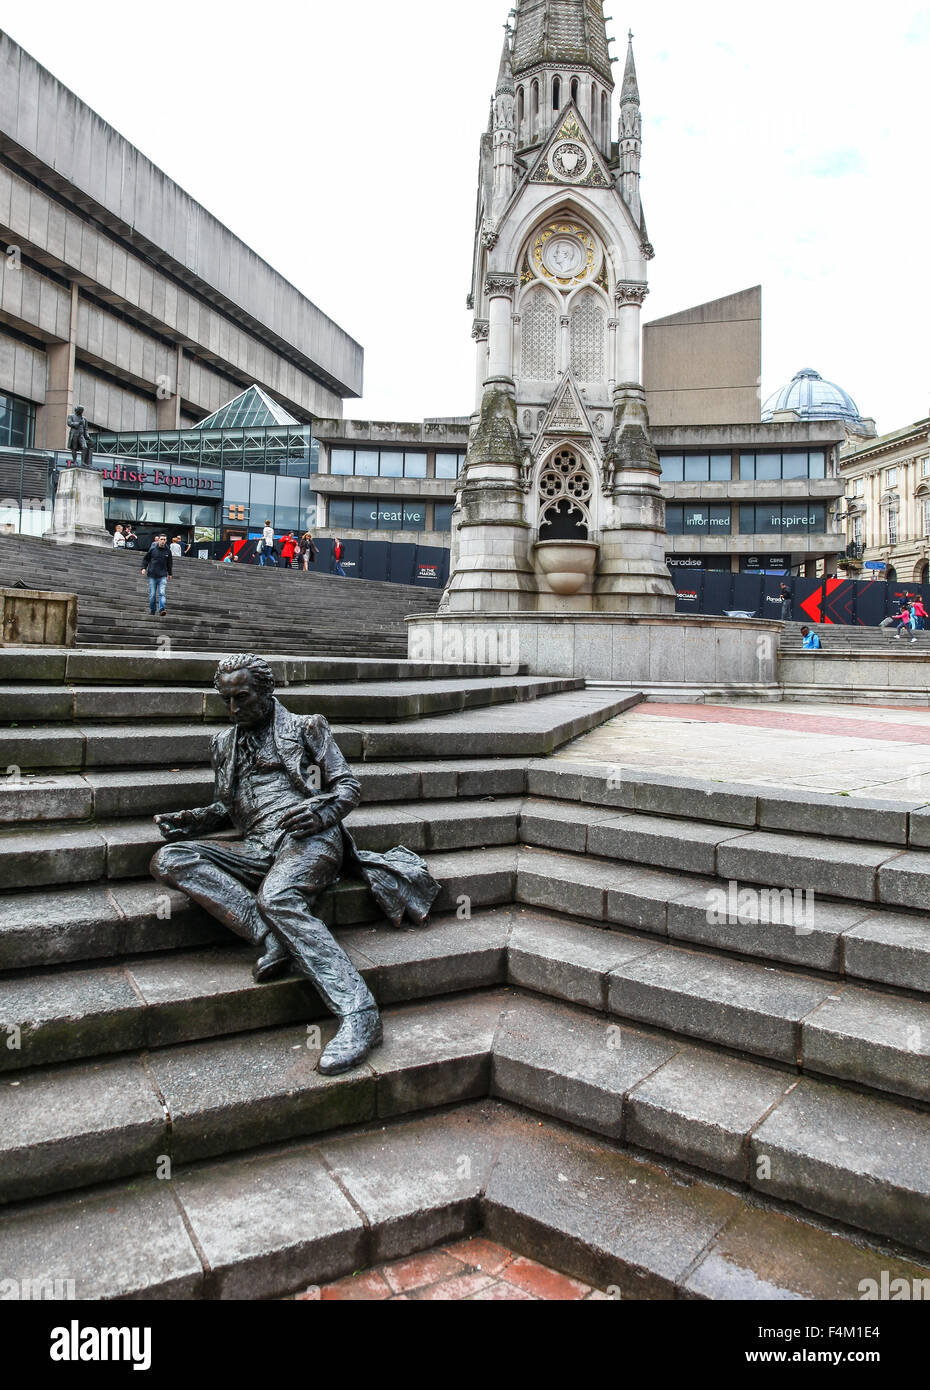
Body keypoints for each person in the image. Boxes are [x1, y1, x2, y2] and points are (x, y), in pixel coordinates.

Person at [151, 654, 440, 1075]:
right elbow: (228, 806)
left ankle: (360, 1013)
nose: (234, 710)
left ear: (268, 692)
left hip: (310, 838)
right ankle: (271, 935)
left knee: (277, 896)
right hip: (256, 844)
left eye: (243, 698)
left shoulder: (307, 727)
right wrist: (193, 819)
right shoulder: (223, 743)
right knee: (170, 858)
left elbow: (348, 786)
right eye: (226, 701)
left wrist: (321, 812)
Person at [141, 534, 173, 617]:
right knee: (152, 595)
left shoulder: (168, 551)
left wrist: (170, 573)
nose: (163, 541)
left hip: (162, 575)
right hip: (152, 575)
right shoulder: (153, 549)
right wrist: (143, 568)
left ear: (166, 541)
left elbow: (169, 563)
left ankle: (162, 609)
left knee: (162, 593)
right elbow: (146, 559)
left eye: (164, 539)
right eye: (161, 539)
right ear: (158, 540)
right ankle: (152, 610)